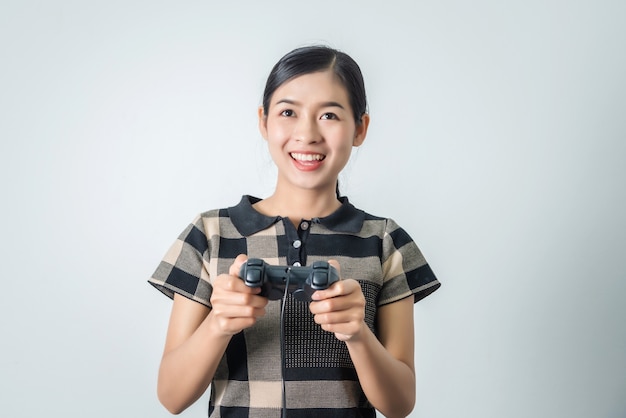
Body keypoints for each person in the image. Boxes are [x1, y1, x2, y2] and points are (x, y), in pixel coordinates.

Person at [148, 45, 441, 418]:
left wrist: (357, 334)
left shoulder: (385, 242)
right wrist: (218, 324)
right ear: (264, 121)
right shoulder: (209, 234)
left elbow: (400, 404)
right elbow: (171, 397)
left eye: (329, 115)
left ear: (360, 128)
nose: (307, 134)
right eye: (288, 112)